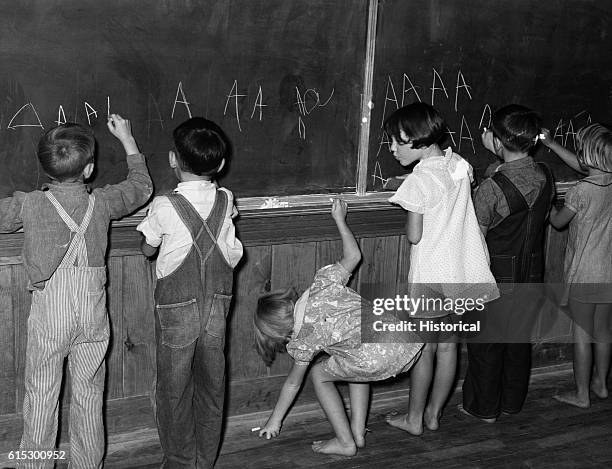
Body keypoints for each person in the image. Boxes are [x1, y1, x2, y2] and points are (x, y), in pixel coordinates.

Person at [0, 115, 152, 467]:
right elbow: (141, 187)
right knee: (89, 393)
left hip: (50, 314)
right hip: (92, 311)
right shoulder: (103, 202)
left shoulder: (29, 204)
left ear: (44, 167)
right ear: (89, 170)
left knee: (41, 396)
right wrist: (128, 139)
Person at [254, 199, 423, 456]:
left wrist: (274, 421)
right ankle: (357, 431)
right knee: (352, 360)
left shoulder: (301, 342)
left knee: (320, 375)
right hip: (405, 338)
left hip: (376, 356)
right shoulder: (323, 282)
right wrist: (339, 220)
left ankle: (346, 442)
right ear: (287, 299)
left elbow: (291, 385)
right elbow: (354, 256)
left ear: (276, 334)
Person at [384, 102, 499, 435]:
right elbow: (450, 186)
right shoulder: (460, 164)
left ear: (417, 139)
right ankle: (434, 415)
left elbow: (414, 234)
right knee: (449, 346)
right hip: (462, 271)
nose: (392, 148)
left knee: (425, 348)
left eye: (397, 141)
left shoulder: (418, 182)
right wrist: (408, 183)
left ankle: (414, 418)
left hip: (432, 275)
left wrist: (408, 197)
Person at [137, 117, 243, 467]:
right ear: (221, 164)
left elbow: (148, 248)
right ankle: (204, 459)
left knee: (173, 389)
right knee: (212, 385)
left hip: (176, 308)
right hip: (217, 304)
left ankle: (180, 461)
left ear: (172, 159)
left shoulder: (165, 205)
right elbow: (230, 251)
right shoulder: (226, 200)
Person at [461, 104, 554, 422]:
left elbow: (475, 240)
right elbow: (513, 181)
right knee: (517, 343)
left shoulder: (490, 190)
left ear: (499, 142)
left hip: (494, 276)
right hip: (531, 274)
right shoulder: (545, 175)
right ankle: (512, 402)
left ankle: (484, 409)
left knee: (486, 346)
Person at [542, 123, 612, 408]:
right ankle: (601, 384)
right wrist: (553, 144)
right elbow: (586, 167)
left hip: (585, 273)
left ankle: (581, 394)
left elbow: (558, 222)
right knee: (604, 330)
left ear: (588, 157)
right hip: (609, 272)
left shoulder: (580, 192)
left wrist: (546, 204)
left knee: (582, 333)